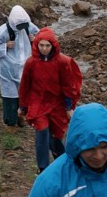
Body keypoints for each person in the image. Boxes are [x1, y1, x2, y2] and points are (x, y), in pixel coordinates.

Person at [18, 26, 83, 170]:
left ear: (53, 45)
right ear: (36, 44)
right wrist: (23, 106)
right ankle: (43, 168)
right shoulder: (31, 63)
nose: (44, 49)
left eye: (47, 46)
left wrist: (68, 107)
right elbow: (25, 86)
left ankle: (63, 163)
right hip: (38, 103)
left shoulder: (63, 62)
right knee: (41, 131)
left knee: (56, 134)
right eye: (41, 45)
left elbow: (68, 85)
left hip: (57, 103)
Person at [0, 4, 34, 133]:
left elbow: (42, 37)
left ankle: (20, 117)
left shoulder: (28, 27)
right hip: (6, 69)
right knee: (9, 97)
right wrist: (4, 46)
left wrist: (35, 39)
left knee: (22, 95)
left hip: (24, 68)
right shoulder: (2, 32)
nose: (22, 29)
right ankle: (10, 124)